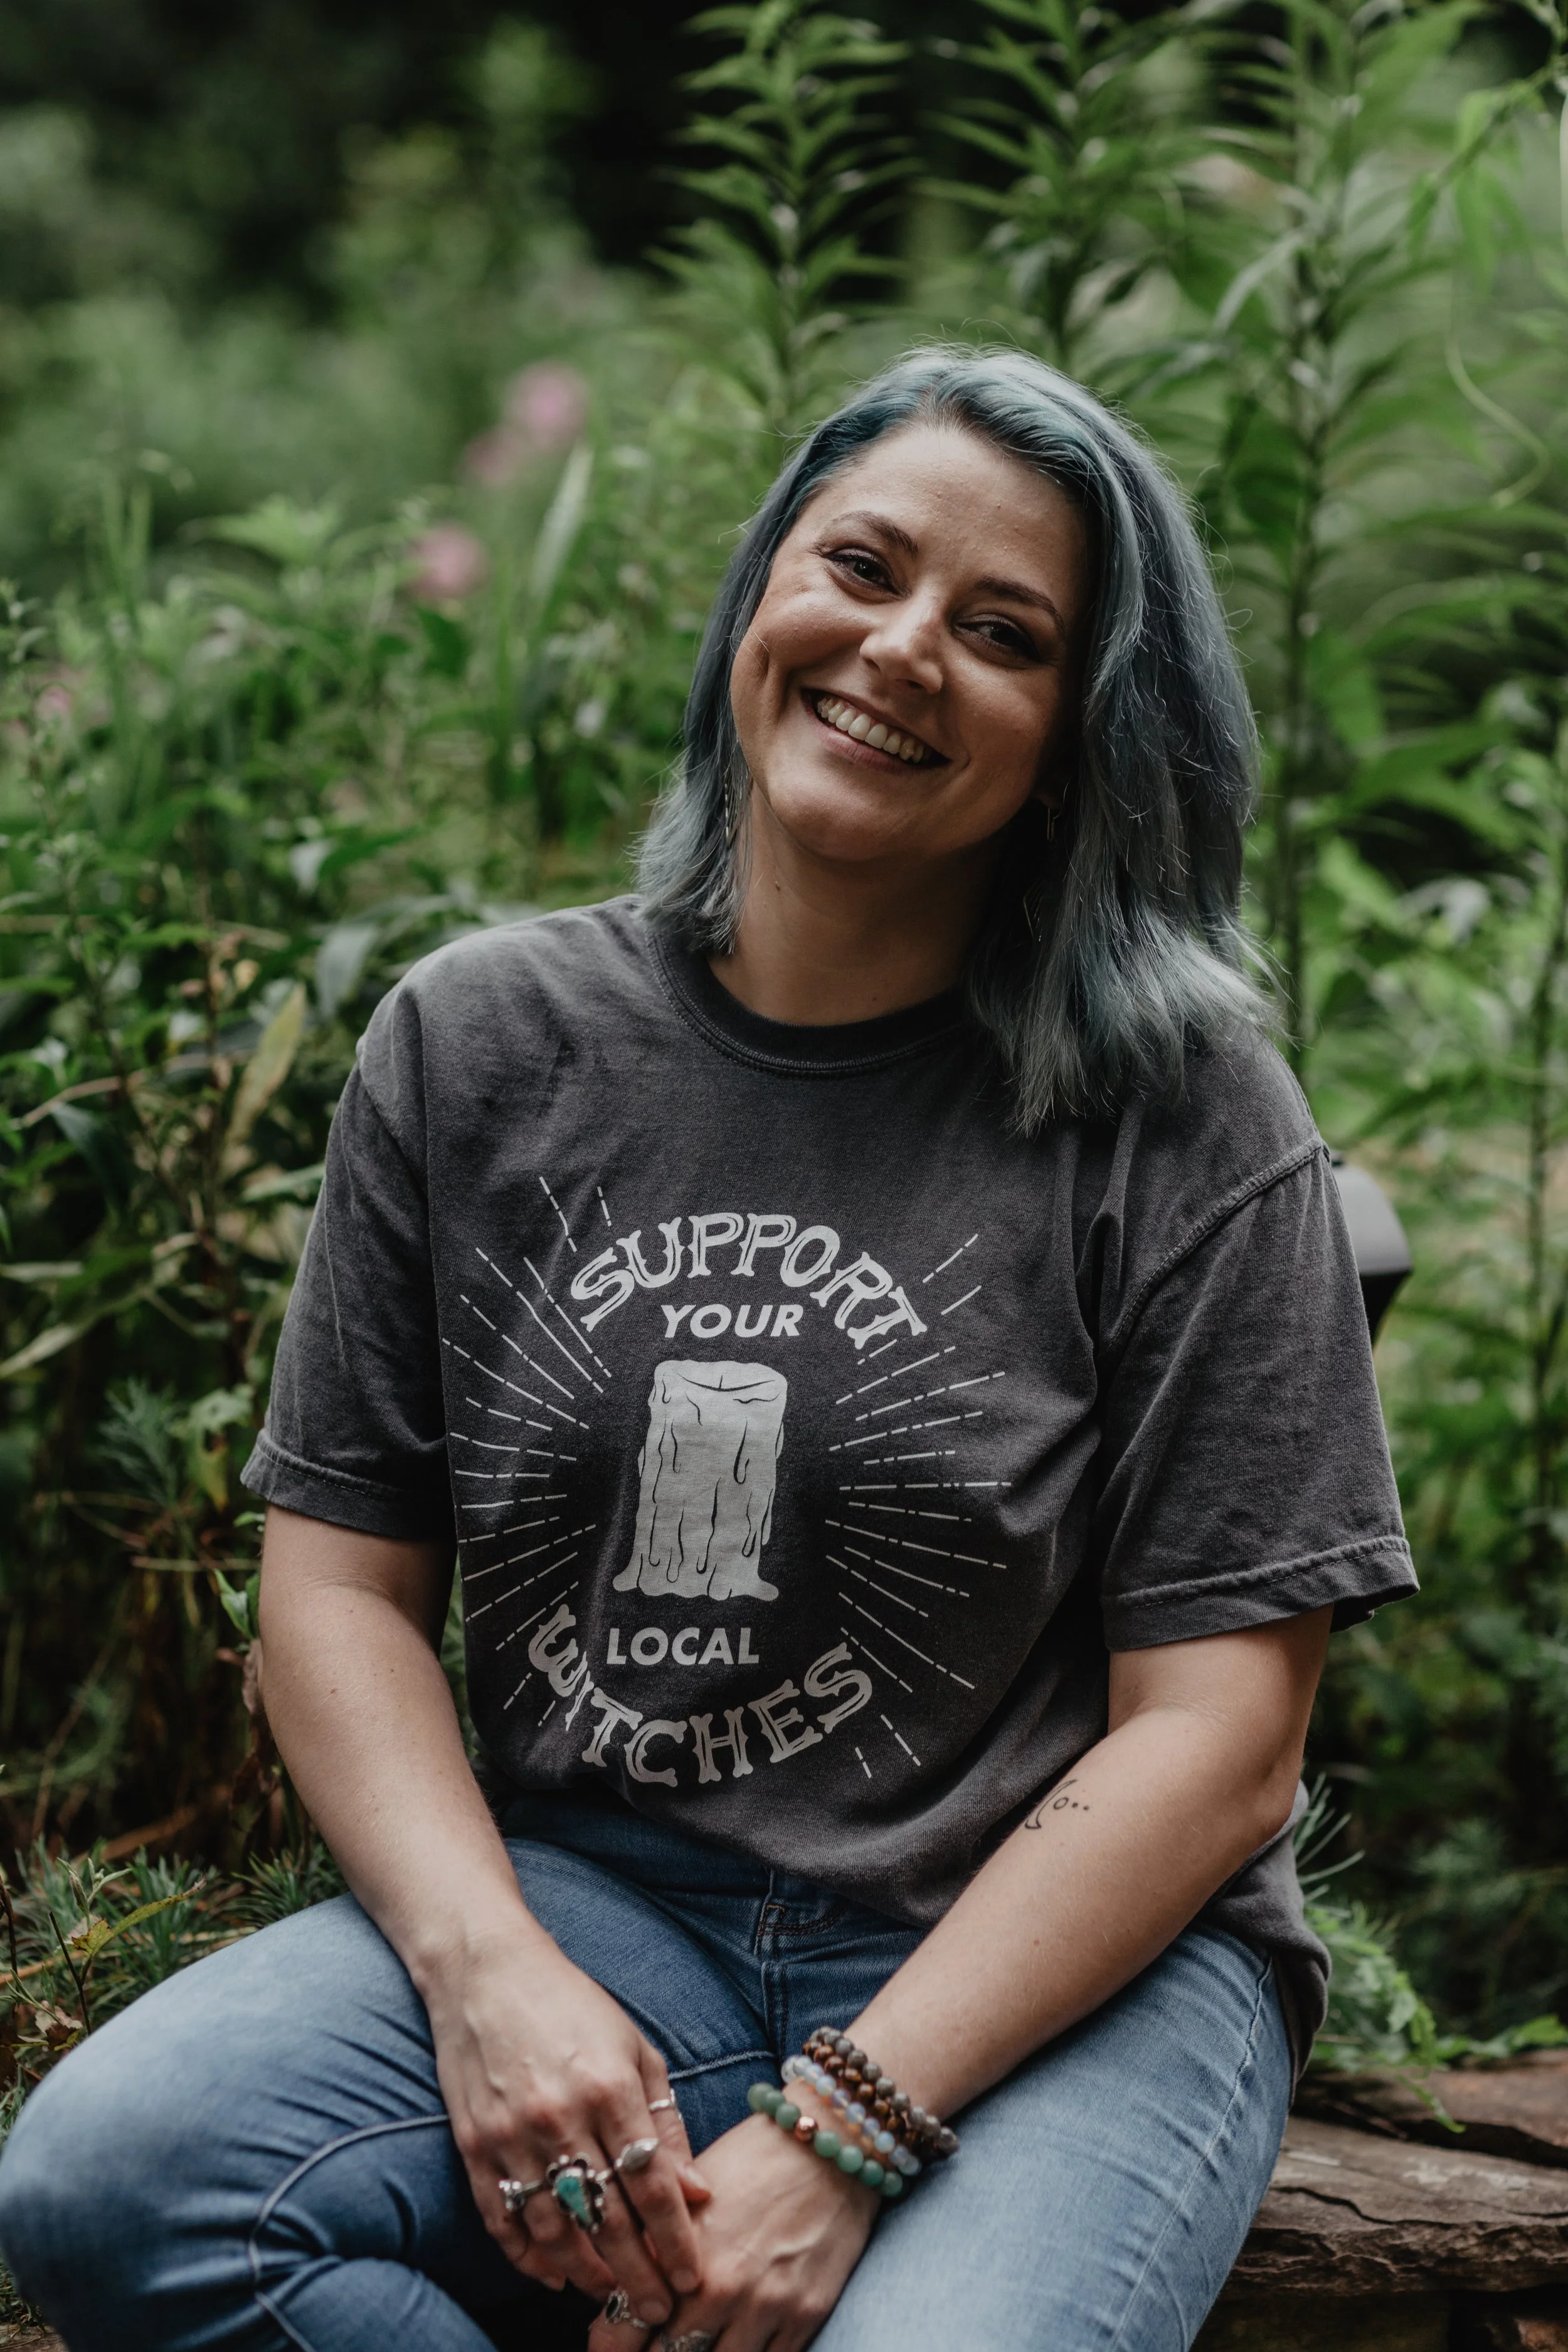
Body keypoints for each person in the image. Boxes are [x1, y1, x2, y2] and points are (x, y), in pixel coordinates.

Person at [0, 347, 1416, 2352]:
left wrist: (846, 2125)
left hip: (1058, 1974)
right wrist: (485, 1967)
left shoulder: (1184, 1117)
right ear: (761, 591)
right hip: (608, 1905)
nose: (900, 648)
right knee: (120, 2181)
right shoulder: (479, 1044)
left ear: (1074, 744)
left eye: (1002, 632)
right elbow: (333, 1591)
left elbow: (1219, 1741)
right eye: (862, 565)